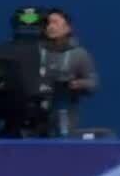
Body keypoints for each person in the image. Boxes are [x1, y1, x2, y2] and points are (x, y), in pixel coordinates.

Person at [37, 8, 99, 136]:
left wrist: (75, 84)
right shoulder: (36, 52)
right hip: (38, 110)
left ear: (67, 28)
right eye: (48, 23)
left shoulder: (79, 54)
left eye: (55, 23)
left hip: (65, 109)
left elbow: (93, 83)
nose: (51, 27)